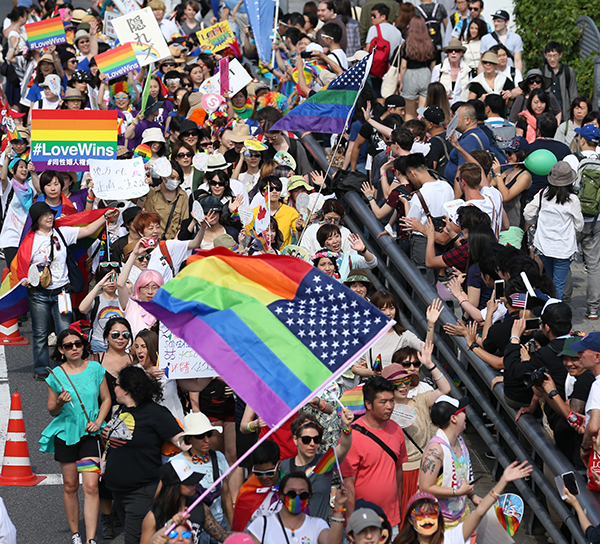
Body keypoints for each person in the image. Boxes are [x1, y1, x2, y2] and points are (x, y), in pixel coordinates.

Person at [18, 203, 118, 380]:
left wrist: (105, 216)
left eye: (51, 214)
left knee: (65, 331)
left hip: (62, 292)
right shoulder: (30, 240)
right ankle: (41, 369)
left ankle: (66, 368)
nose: (49, 217)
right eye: (44, 215)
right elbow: (20, 265)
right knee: (40, 333)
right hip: (38, 293)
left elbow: (87, 230)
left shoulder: (62, 232)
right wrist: (24, 278)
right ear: (36, 220)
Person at [40, 329, 111, 544]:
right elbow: (52, 409)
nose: (74, 348)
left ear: (83, 345)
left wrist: (98, 422)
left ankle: (90, 538)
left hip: (90, 434)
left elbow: (106, 399)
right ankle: (75, 534)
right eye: (68, 345)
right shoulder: (55, 375)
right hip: (67, 433)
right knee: (71, 485)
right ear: (60, 350)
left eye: (78, 344)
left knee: (91, 485)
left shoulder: (96, 369)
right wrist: (60, 402)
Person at [101, 366, 184, 544]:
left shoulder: (155, 413)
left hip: (141, 492)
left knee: (135, 539)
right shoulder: (123, 410)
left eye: (116, 384)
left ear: (126, 389)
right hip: (118, 491)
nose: (113, 388)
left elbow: (181, 441)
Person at [382, 345, 451, 508]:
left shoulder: (420, 400)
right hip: (398, 473)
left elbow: (445, 388)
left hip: (425, 469)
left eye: (406, 381)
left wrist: (430, 365)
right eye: (397, 383)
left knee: (424, 517)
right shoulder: (383, 411)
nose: (403, 386)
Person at [400, 461, 532, 544]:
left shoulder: (450, 539)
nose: (427, 519)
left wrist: (503, 480)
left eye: (432, 513)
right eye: (419, 514)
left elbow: (479, 512)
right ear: (411, 520)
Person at [341, 376, 408, 538]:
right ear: (368, 404)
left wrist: (398, 510)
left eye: (392, 401)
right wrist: (351, 522)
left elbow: (399, 473)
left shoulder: (397, 429)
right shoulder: (352, 436)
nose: (390, 406)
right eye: (383, 402)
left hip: (391, 522)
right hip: (362, 523)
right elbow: (348, 483)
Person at [418, 395, 481, 529]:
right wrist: (457, 492)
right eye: (462, 410)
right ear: (453, 418)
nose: (465, 414)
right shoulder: (436, 450)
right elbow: (425, 488)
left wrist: (472, 495)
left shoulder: (459, 441)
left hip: (461, 518)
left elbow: (461, 478)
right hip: (438, 523)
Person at [523, 161, 584, 299]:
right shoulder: (572, 199)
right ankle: (555, 315)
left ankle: (547, 310)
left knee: (550, 282)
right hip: (563, 248)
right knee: (558, 285)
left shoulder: (543, 194)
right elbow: (579, 225)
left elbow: (528, 213)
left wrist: (537, 223)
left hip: (544, 245)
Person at [281, 409, 354, 522]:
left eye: (316, 439)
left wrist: (346, 426)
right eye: (306, 439)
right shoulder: (284, 467)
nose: (312, 444)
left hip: (320, 534)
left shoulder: (324, 462)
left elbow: (344, 447)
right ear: (295, 440)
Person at [170, 412, 234, 539]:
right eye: (200, 436)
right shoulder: (176, 463)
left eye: (209, 434)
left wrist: (234, 528)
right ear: (189, 439)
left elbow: (226, 494)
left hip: (219, 524)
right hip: (193, 528)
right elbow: (168, 499)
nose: (207, 440)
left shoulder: (219, 457)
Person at [139, 462, 231, 544]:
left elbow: (224, 537)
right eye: (189, 482)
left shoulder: (200, 508)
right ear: (175, 486)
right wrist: (167, 528)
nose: (195, 484)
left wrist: (243, 537)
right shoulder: (153, 516)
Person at [247, 471, 346, 544]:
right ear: (281, 494)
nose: (297, 497)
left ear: (309, 496)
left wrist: (339, 507)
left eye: (303, 494)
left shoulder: (317, 525)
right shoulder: (262, 524)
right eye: (291, 493)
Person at [491, 136, 531, 247]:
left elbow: (506, 196)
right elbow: (489, 184)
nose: (507, 156)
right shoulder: (508, 172)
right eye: (506, 152)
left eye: (510, 153)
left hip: (513, 226)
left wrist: (498, 174)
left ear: (522, 154)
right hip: (500, 225)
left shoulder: (525, 176)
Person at [398, 17, 436, 120]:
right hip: (425, 73)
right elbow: (433, 65)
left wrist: (401, 82)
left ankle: (408, 134)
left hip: (410, 75)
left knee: (409, 113)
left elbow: (403, 66)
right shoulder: (430, 44)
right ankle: (422, 133)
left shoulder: (406, 45)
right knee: (422, 113)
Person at [79, 266, 123, 353]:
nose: (111, 282)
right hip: (98, 345)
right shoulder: (96, 300)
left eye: (114, 278)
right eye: (107, 278)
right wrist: (99, 285)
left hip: (120, 345)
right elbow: (82, 309)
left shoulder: (123, 300)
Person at [541, 41, 578, 121]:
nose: (552, 59)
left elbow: (573, 96)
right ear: (545, 56)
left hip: (565, 116)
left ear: (560, 55)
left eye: (555, 56)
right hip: (546, 116)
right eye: (549, 56)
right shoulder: (542, 72)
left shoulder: (568, 71)